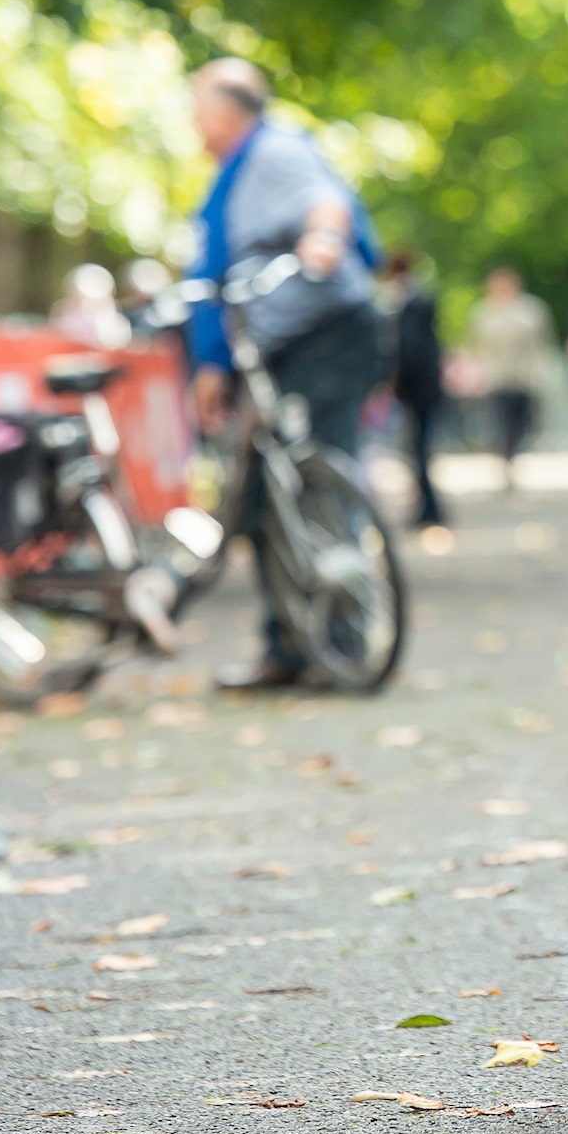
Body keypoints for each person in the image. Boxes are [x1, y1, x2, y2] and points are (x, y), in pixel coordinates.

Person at [186, 57, 384, 692]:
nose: (192, 121)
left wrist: (323, 239)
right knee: (257, 491)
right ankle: (291, 646)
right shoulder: (230, 176)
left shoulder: (274, 151)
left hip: (319, 336)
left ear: (223, 109)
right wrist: (212, 361)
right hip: (270, 348)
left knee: (316, 481)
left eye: (197, 106)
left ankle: (339, 643)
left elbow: (325, 203)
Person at [465, 266, 554, 480]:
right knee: (501, 422)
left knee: (525, 423)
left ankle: (512, 454)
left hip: (525, 378)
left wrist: (541, 370)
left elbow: (542, 343)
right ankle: (507, 460)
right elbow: (475, 346)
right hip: (496, 378)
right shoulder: (483, 313)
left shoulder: (532, 310)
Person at [381, 251, 446, 527]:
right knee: (418, 451)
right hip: (422, 390)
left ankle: (429, 509)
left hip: (419, 391)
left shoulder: (411, 305)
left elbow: (408, 351)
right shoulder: (419, 301)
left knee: (418, 451)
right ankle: (427, 506)